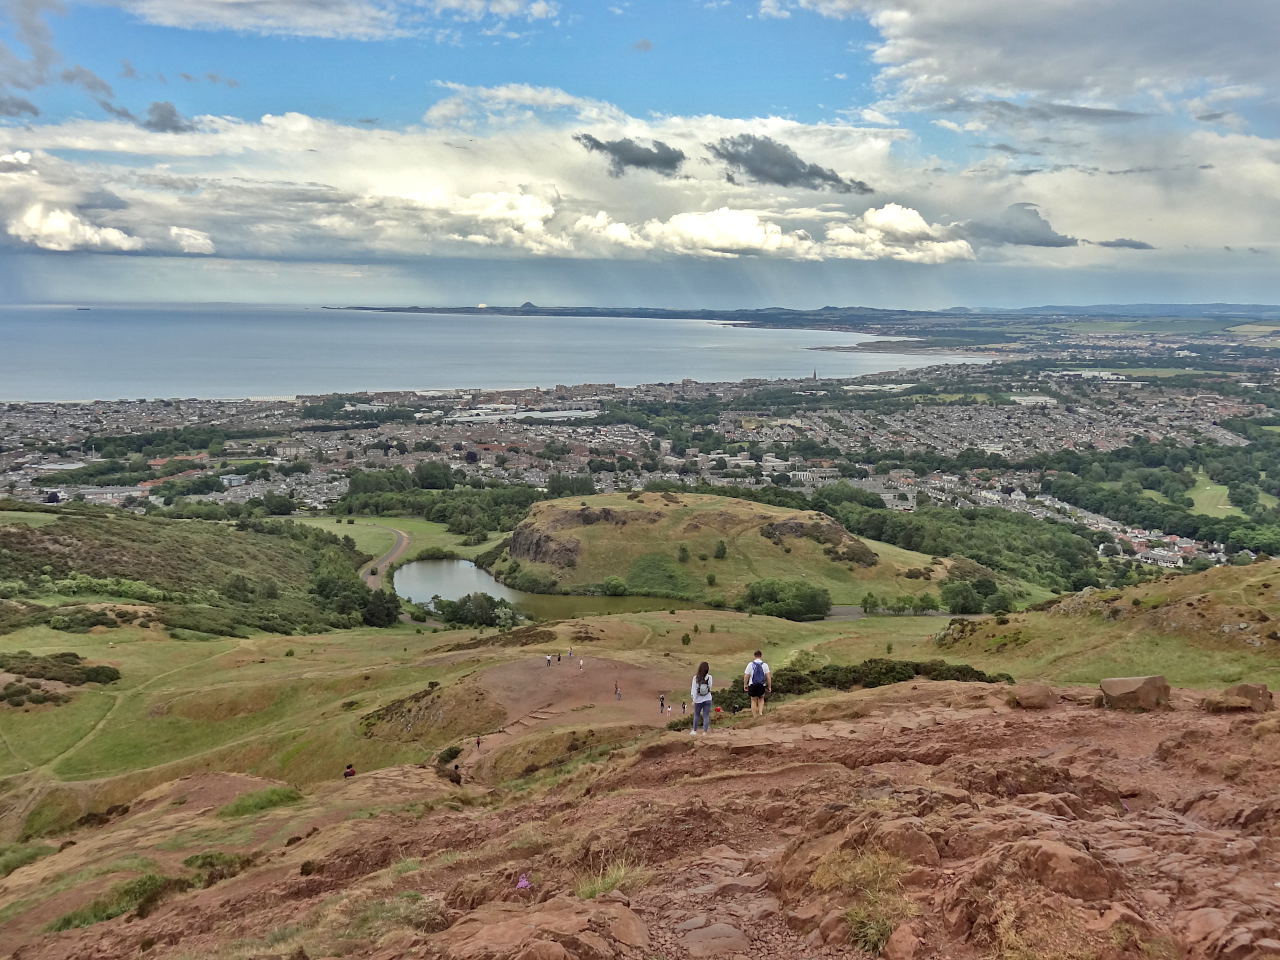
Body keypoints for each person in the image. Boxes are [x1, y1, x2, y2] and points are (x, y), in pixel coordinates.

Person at [743, 650, 772, 717]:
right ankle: (760, 713)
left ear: (754, 656)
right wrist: (769, 686)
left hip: (752, 684)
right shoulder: (765, 665)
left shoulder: (750, 664)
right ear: (761, 656)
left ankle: (754, 716)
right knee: (761, 698)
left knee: (753, 700)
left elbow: (746, 676)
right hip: (761, 685)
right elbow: (768, 677)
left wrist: (745, 685)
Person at [690, 661, 713, 734]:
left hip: (698, 700)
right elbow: (710, 687)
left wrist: (693, 699)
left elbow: (694, 690)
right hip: (708, 698)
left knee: (696, 715)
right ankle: (705, 732)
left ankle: (694, 731)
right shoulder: (710, 677)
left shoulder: (695, 678)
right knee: (706, 715)